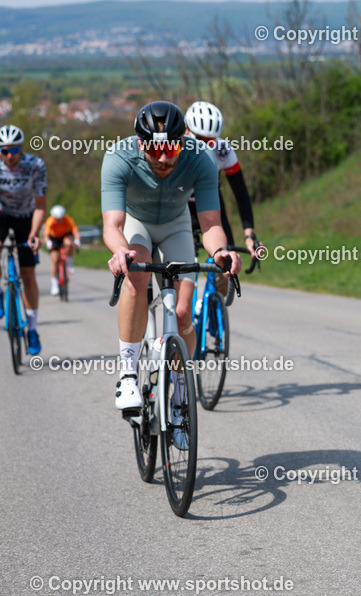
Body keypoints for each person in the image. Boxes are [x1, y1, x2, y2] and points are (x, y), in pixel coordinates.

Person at [102, 101, 241, 445]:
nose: (164, 158)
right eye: (155, 149)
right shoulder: (118, 157)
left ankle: (180, 394)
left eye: (172, 148)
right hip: (136, 223)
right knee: (137, 276)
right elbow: (113, 224)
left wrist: (221, 251)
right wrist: (121, 251)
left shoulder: (201, 158)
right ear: (140, 143)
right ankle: (129, 375)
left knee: (181, 315)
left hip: (177, 225)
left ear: (183, 141)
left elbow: (210, 223)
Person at [184, 101, 259, 293]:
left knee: (225, 267)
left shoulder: (222, 150)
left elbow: (240, 193)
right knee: (183, 269)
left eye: (210, 141)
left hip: (211, 208)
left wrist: (249, 234)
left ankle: (215, 309)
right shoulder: (176, 149)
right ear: (186, 131)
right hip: (182, 209)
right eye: (200, 139)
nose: (206, 145)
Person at [0, 124, 47, 355]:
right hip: (2, 214)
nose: (10, 156)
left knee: (28, 274)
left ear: (22, 148)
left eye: (14, 150)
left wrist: (33, 234)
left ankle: (32, 329)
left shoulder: (35, 165)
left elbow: (40, 206)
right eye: (4, 151)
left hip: (28, 216)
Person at [43, 205, 80, 295]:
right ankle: (54, 284)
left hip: (65, 235)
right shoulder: (50, 220)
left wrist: (77, 241)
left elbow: (75, 232)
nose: (59, 220)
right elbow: (46, 235)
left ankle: (70, 262)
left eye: (61, 218)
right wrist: (48, 242)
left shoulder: (68, 219)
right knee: (55, 260)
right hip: (54, 238)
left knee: (69, 243)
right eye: (57, 219)